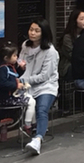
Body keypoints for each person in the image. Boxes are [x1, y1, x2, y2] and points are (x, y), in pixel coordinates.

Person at [18, 18, 60, 155]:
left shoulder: (50, 51)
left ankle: (37, 140)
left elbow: (44, 76)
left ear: (44, 33)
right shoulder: (25, 45)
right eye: (31, 30)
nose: (33, 33)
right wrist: (20, 65)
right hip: (26, 85)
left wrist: (23, 79)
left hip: (46, 86)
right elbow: (20, 59)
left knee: (42, 109)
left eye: (37, 31)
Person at [57, 8, 84, 79]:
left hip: (82, 64)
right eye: (82, 19)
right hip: (68, 66)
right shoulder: (67, 37)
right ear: (75, 21)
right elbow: (72, 56)